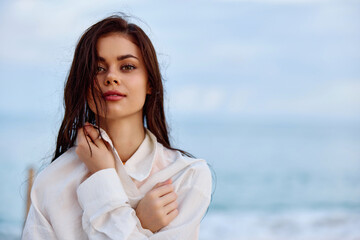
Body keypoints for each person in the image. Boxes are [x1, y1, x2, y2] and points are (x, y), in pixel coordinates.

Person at [22, 15, 212, 240]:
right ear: (83, 83)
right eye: (98, 68)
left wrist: (102, 177)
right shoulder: (52, 183)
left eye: (127, 67)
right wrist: (140, 225)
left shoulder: (185, 177)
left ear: (150, 82)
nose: (111, 77)